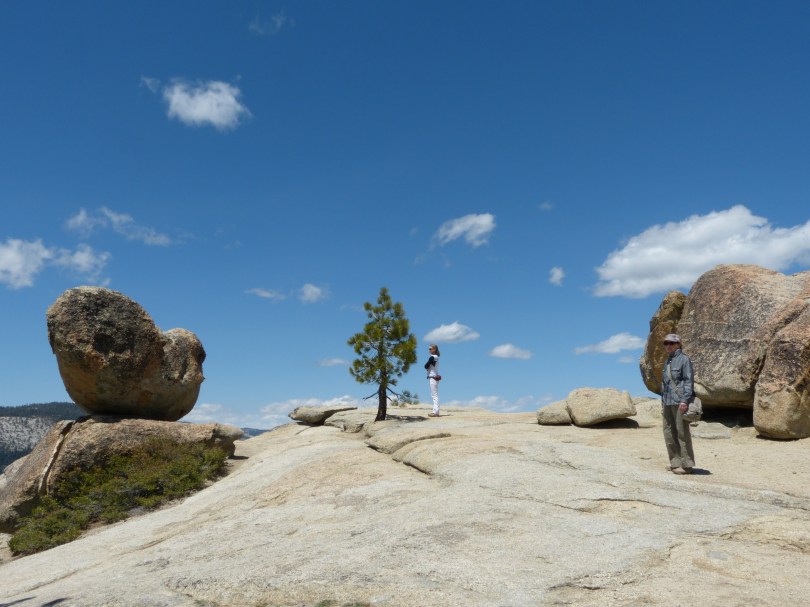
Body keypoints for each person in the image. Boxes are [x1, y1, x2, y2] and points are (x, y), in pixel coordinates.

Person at [661, 333, 696, 474]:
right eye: (666, 343)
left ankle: (687, 465)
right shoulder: (667, 362)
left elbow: (689, 381)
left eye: (671, 343)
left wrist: (684, 400)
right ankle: (675, 463)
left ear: (678, 344)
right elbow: (664, 384)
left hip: (679, 401)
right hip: (667, 402)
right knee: (668, 433)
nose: (668, 346)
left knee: (682, 433)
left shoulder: (684, 360)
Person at [424, 344, 441, 417]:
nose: (429, 350)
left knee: (434, 395)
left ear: (434, 349)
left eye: (430, 348)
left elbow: (426, 366)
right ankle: (435, 411)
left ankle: (436, 412)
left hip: (433, 377)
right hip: (435, 377)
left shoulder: (432, 357)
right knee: (434, 394)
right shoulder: (436, 357)